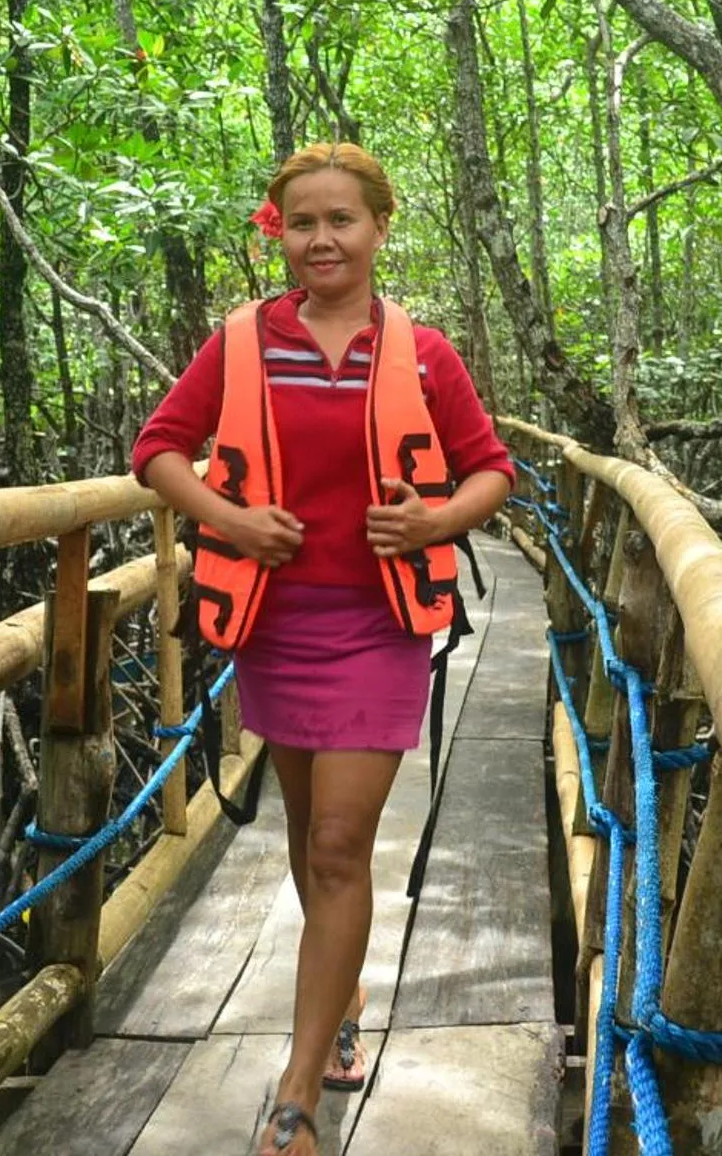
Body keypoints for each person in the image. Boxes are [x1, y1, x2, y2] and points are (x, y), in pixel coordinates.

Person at [132, 141, 513, 1156]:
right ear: (279, 232)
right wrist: (233, 520)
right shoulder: (243, 343)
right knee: (309, 840)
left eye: (342, 219)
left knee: (341, 845)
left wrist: (434, 525)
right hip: (274, 622)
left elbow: (490, 472)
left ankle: (295, 1092)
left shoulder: (425, 352)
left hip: (381, 627)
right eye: (303, 222)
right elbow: (156, 450)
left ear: (380, 227)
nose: (322, 239)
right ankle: (336, 1005)